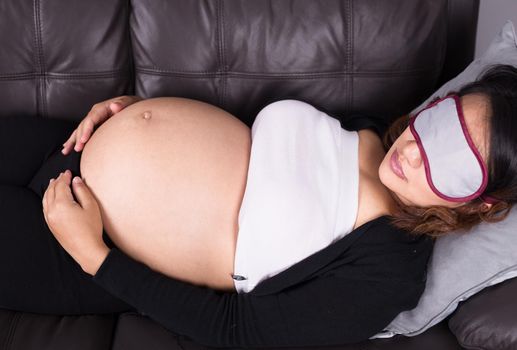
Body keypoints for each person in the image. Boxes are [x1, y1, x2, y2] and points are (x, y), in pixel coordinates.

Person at [0, 63, 515, 347]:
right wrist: (135, 114)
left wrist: (94, 256)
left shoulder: (390, 274)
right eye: (440, 124)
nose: (415, 150)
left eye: (454, 163)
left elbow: (239, 330)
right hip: (68, 145)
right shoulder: (371, 129)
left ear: (481, 204)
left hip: (77, 248)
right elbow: (249, 145)